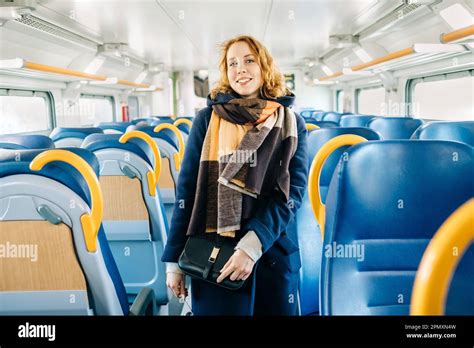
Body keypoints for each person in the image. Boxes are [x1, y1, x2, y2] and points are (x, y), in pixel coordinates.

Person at [162, 35, 308, 315]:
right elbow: (187, 192)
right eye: (232, 63)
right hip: (214, 256)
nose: (240, 68)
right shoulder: (207, 120)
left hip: (271, 252)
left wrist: (251, 248)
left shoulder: (291, 123)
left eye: (249, 60)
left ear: (264, 67)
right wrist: (174, 262)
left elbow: (291, 193)